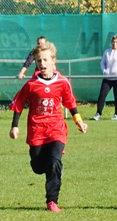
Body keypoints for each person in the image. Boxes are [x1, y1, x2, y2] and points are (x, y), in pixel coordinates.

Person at [8, 40, 88, 212]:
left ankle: (52, 201)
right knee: (38, 167)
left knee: (54, 162)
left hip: (56, 129)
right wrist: (14, 126)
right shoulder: (31, 84)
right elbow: (19, 104)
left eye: (45, 60)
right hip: (37, 130)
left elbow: (70, 103)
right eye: (39, 61)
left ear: (53, 61)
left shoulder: (63, 82)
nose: (42, 63)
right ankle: (54, 169)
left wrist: (79, 121)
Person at [93, 35, 117, 120]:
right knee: (102, 95)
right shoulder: (107, 52)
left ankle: (116, 114)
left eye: (116, 42)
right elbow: (102, 63)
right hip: (107, 78)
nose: (114, 44)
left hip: (116, 79)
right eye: (113, 42)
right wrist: (104, 70)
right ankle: (98, 113)